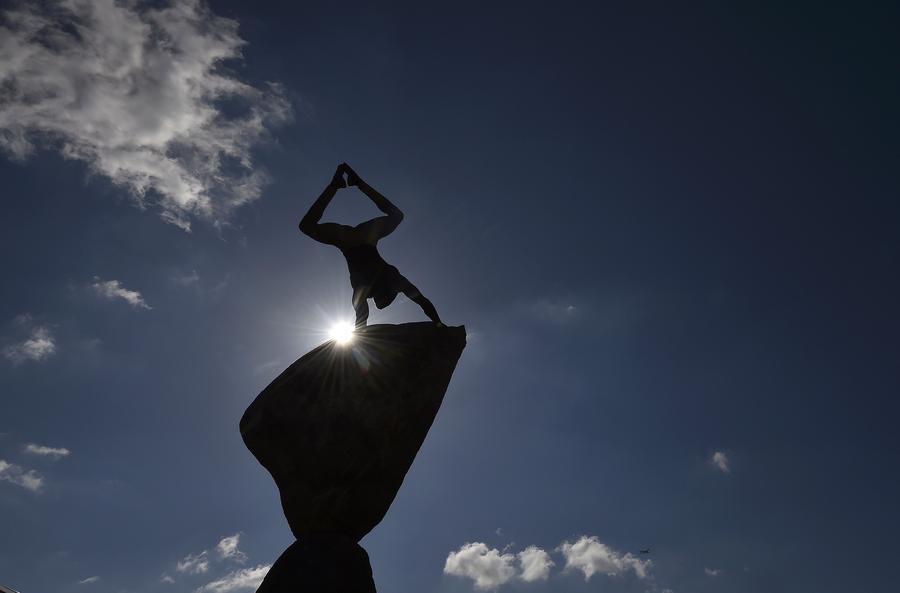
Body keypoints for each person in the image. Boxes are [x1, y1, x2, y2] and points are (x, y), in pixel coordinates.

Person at [299, 163, 443, 329]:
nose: (376, 302)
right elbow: (420, 301)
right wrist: (438, 323)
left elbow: (420, 301)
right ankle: (351, 183)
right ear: (385, 293)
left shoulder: (384, 283)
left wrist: (438, 322)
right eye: (379, 302)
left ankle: (340, 185)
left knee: (397, 216)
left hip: (357, 240)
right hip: (358, 240)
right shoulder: (391, 281)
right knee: (306, 226)